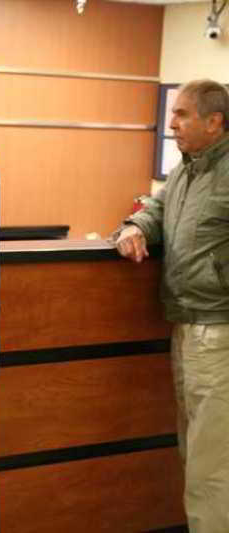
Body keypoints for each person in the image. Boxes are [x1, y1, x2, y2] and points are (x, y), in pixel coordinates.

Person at [114, 79, 229, 533]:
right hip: (186, 326)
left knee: (211, 468)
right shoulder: (189, 168)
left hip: (218, 331)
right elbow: (158, 209)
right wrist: (135, 226)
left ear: (214, 121)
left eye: (181, 115)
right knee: (196, 454)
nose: (172, 124)